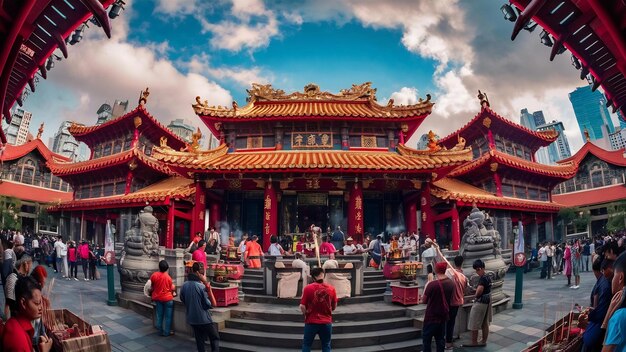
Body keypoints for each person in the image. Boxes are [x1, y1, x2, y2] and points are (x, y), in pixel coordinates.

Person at [2, 276, 53, 352]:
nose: (41, 307)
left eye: (41, 302)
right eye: (37, 303)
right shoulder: (18, 339)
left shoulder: (14, 322)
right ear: (23, 303)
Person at [180, 262, 219, 352]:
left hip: (192, 318)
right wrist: (206, 284)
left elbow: (182, 299)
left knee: (199, 340)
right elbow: (210, 304)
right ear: (200, 273)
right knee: (215, 337)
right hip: (204, 319)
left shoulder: (184, 285)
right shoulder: (201, 286)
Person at [299, 267, 337, 352]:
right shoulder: (331, 288)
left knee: (307, 345)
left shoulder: (308, 288)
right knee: (326, 345)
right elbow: (334, 306)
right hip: (326, 322)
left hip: (311, 321)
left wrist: (305, 314)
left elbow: (302, 306)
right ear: (323, 275)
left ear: (313, 277)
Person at [421, 262, 454, 352]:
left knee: (427, 339)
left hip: (431, 316)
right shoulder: (451, 283)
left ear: (436, 270)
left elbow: (424, 301)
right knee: (440, 339)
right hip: (443, 316)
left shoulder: (432, 285)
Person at [464, 259, 492, 347]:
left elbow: (479, 292)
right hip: (487, 301)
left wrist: (473, 295)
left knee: (474, 323)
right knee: (484, 323)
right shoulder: (488, 276)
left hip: (481, 303)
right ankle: (483, 341)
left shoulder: (483, 278)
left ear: (480, 268)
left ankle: (474, 342)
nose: (477, 272)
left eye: (477, 270)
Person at [150, 260, 176, 337]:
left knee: (159, 315)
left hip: (158, 298)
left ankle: (160, 330)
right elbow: (172, 288)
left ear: (159, 267)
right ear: (167, 268)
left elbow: (152, 287)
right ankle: (167, 332)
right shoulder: (168, 277)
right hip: (168, 299)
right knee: (168, 317)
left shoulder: (154, 275)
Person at [5, 254, 33, 319]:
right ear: (26, 264)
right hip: (16, 317)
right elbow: (8, 304)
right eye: (30, 265)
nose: (30, 268)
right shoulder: (12, 278)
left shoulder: (22, 277)